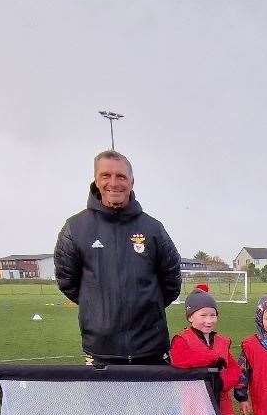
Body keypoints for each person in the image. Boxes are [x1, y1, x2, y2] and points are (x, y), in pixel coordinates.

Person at [54, 151, 182, 366]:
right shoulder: (75, 228)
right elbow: (67, 281)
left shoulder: (153, 228)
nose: (113, 183)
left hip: (151, 349)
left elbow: (171, 280)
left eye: (121, 176)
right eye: (106, 175)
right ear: (96, 180)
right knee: (105, 402)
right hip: (101, 351)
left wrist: (148, 307)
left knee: (153, 402)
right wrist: (98, 307)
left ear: (132, 182)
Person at [169, 285, 243, 415]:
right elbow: (182, 362)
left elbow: (233, 369)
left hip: (221, 403)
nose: (209, 320)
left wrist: (223, 383)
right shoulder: (181, 339)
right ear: (190, 317)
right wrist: (211, 361)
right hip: (195, 404)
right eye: (203, 315)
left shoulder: (222, 341)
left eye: (213, 315)